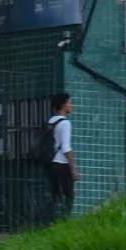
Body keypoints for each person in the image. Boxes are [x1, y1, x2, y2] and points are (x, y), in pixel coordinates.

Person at [47, 92, 80, 220]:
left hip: (51, 163)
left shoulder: (51, 121)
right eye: (69, 102)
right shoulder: (65, 123)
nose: (71, 105)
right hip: (62, 164)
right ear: (63, 105)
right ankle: (64, 221)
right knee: (68, 196)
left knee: (56, 194)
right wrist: (73, 168)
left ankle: (53, 221)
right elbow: (66, 148)